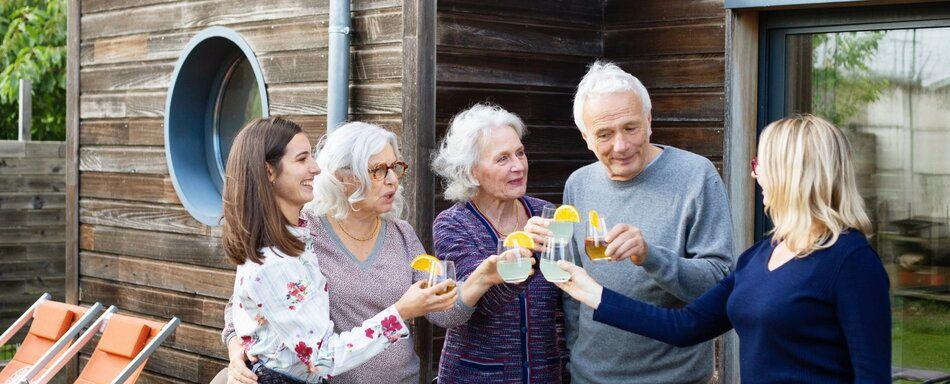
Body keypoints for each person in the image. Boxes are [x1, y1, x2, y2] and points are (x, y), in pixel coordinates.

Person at [554, 114, 892, 383]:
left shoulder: (850, 262)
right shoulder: (762, 256)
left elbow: (872, 375)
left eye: (761, 164)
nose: (754, 174)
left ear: (793, 176)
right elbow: (684, 327)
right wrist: (592, 292)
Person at [216, 121, 512, 384]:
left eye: (395, 168)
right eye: (378, 170)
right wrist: (236, 348)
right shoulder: (304, 231)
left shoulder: (401, 235)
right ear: (345, 177)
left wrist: (483, 278)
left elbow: (445, 311)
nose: (393, 180)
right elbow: (248, 299)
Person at [524, 60, 736, 384]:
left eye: (631, 128)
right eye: (605, 134)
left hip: (678, 379)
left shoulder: (696, 175)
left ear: (649, 121)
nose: (620, 146)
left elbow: (719, 284)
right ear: (586, 137)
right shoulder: (578, 184)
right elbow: (572, 288)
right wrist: (574, 358)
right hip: (590, 377)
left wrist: (650, 256)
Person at [430, 103, 566, 383]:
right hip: (477, 377)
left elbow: (564, 303)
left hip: (545, 375)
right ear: (471, 171)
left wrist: (564, 363)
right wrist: (528, 248)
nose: (518, 166)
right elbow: (480, 303)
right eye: (502, 159)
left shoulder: (544, 214)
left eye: (520, 153)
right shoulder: (453, 224)